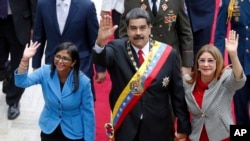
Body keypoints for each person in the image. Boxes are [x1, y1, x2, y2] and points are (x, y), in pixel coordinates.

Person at [92, 8, 191, 141]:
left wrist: (183, 127)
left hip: (158, 128)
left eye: (142, 28)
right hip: (126, 126)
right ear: (127, 30)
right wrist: (100, 42)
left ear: (150, 28)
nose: (138, 33)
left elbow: (177, 94)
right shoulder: (116, 49)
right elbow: (101, 59)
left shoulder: (167, 54)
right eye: (133, 28)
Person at [14, 41, 95, 141]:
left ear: (73, 62)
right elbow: (21, 82)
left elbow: (88, 113)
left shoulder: (83, 82)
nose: (60, 61)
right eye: (58, 56)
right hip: (49, 127)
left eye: (65, 58)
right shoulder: (45, 72)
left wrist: (89, 139)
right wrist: (25, 59)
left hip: (73, 132)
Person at [32, 0, 106, 101]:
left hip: (80, 67)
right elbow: (38, 37)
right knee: (55, 104)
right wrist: (35, 65)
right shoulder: (43, 4)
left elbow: (94, 40)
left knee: (84, 105)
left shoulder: (87, 6)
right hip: (53, 67)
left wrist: (100, 68)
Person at [183, 30, 246, 141]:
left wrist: (233, 54)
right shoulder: (187, 82)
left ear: (217, 64)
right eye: (202, 60)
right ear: (197, 64)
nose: (206, 64)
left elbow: (239, 80)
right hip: (195, 136)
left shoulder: (225, 79)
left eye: (211, 61)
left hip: (223, 136)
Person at [119, 0, 194, 75]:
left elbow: (185, 32)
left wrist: (187, 64)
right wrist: (127, 61)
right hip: (141, 62)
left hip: (168, 59)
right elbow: (124, 33)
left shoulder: (176, 1)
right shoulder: (131, 1)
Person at [214, 0, 250, 125]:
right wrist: (217, 63)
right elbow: (220, 34)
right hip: (239, 64)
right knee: (240, 111)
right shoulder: (230, 2)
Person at [0, 0, 37, 120]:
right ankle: (7, 71)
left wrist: (34, 26)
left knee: (19, 63)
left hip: (20, 22)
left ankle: (13, 101)